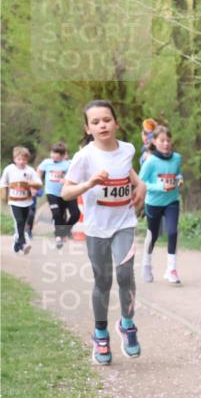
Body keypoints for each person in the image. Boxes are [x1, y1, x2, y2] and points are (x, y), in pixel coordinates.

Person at [61, 99, 147, 365]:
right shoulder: (84, 156)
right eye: (95, 122)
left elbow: (130, 174)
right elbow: (65, 192)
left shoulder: (127, 149)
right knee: (103, 281)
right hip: (97, 228)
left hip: (124, 223)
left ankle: (127, 324)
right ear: (88, 128)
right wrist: (89, 183)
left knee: (125, 275)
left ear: (116, 123)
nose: (102, 125)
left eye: (107, 120)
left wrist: (141, 186)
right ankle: (100, 334)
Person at [138, 125, 184, 284]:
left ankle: (171, 269)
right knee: (153, 235)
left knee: (172, 232)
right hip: (154, 203)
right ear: (154, 142)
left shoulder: (177, 158)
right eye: (162, 140)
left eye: (168, 140)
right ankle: (146, 264)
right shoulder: (150, 161)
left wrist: (179, 179)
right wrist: (160, 187)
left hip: (172, 201)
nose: (166, 143)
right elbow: (140, 184)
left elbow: (178, 173)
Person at [0, 146, 43, 255]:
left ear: (27, 160)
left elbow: (39, 184)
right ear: (14, 159)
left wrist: (31, 184)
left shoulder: (30, 171)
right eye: (19, 159)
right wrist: (3, 195)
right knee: (19, 221)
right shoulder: (9, 169)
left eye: (24, 159)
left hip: (27, 202)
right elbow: (3, 182)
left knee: (23, 224)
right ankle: (23, 244)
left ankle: (17, 242)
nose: (21, 162)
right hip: (14, 202)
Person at [37, 141, 77, 248]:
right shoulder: (47, 162)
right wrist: (38, 183)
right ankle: (58, 236)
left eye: (56, 154)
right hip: (51, 193)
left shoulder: (68, 164)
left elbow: (75, 175)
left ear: (63, 155)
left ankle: (65, 230)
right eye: (52, 152)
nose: (53, 155)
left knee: (76, 214)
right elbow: (39, 170)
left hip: (67, 192)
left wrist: (66, 180)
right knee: (57, 213)